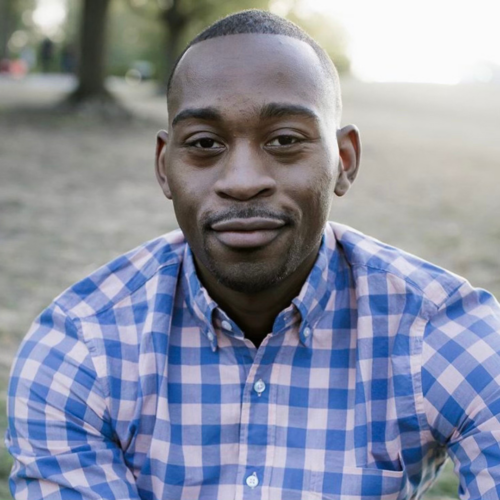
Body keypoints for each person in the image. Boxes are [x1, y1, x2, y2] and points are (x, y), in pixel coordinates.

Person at [6, 9, 500, 500]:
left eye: (285, 140)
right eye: (204, 143)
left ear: (343, 161)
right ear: (164, 167)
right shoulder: (81, 348)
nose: (242, 181)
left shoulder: (439, 334)